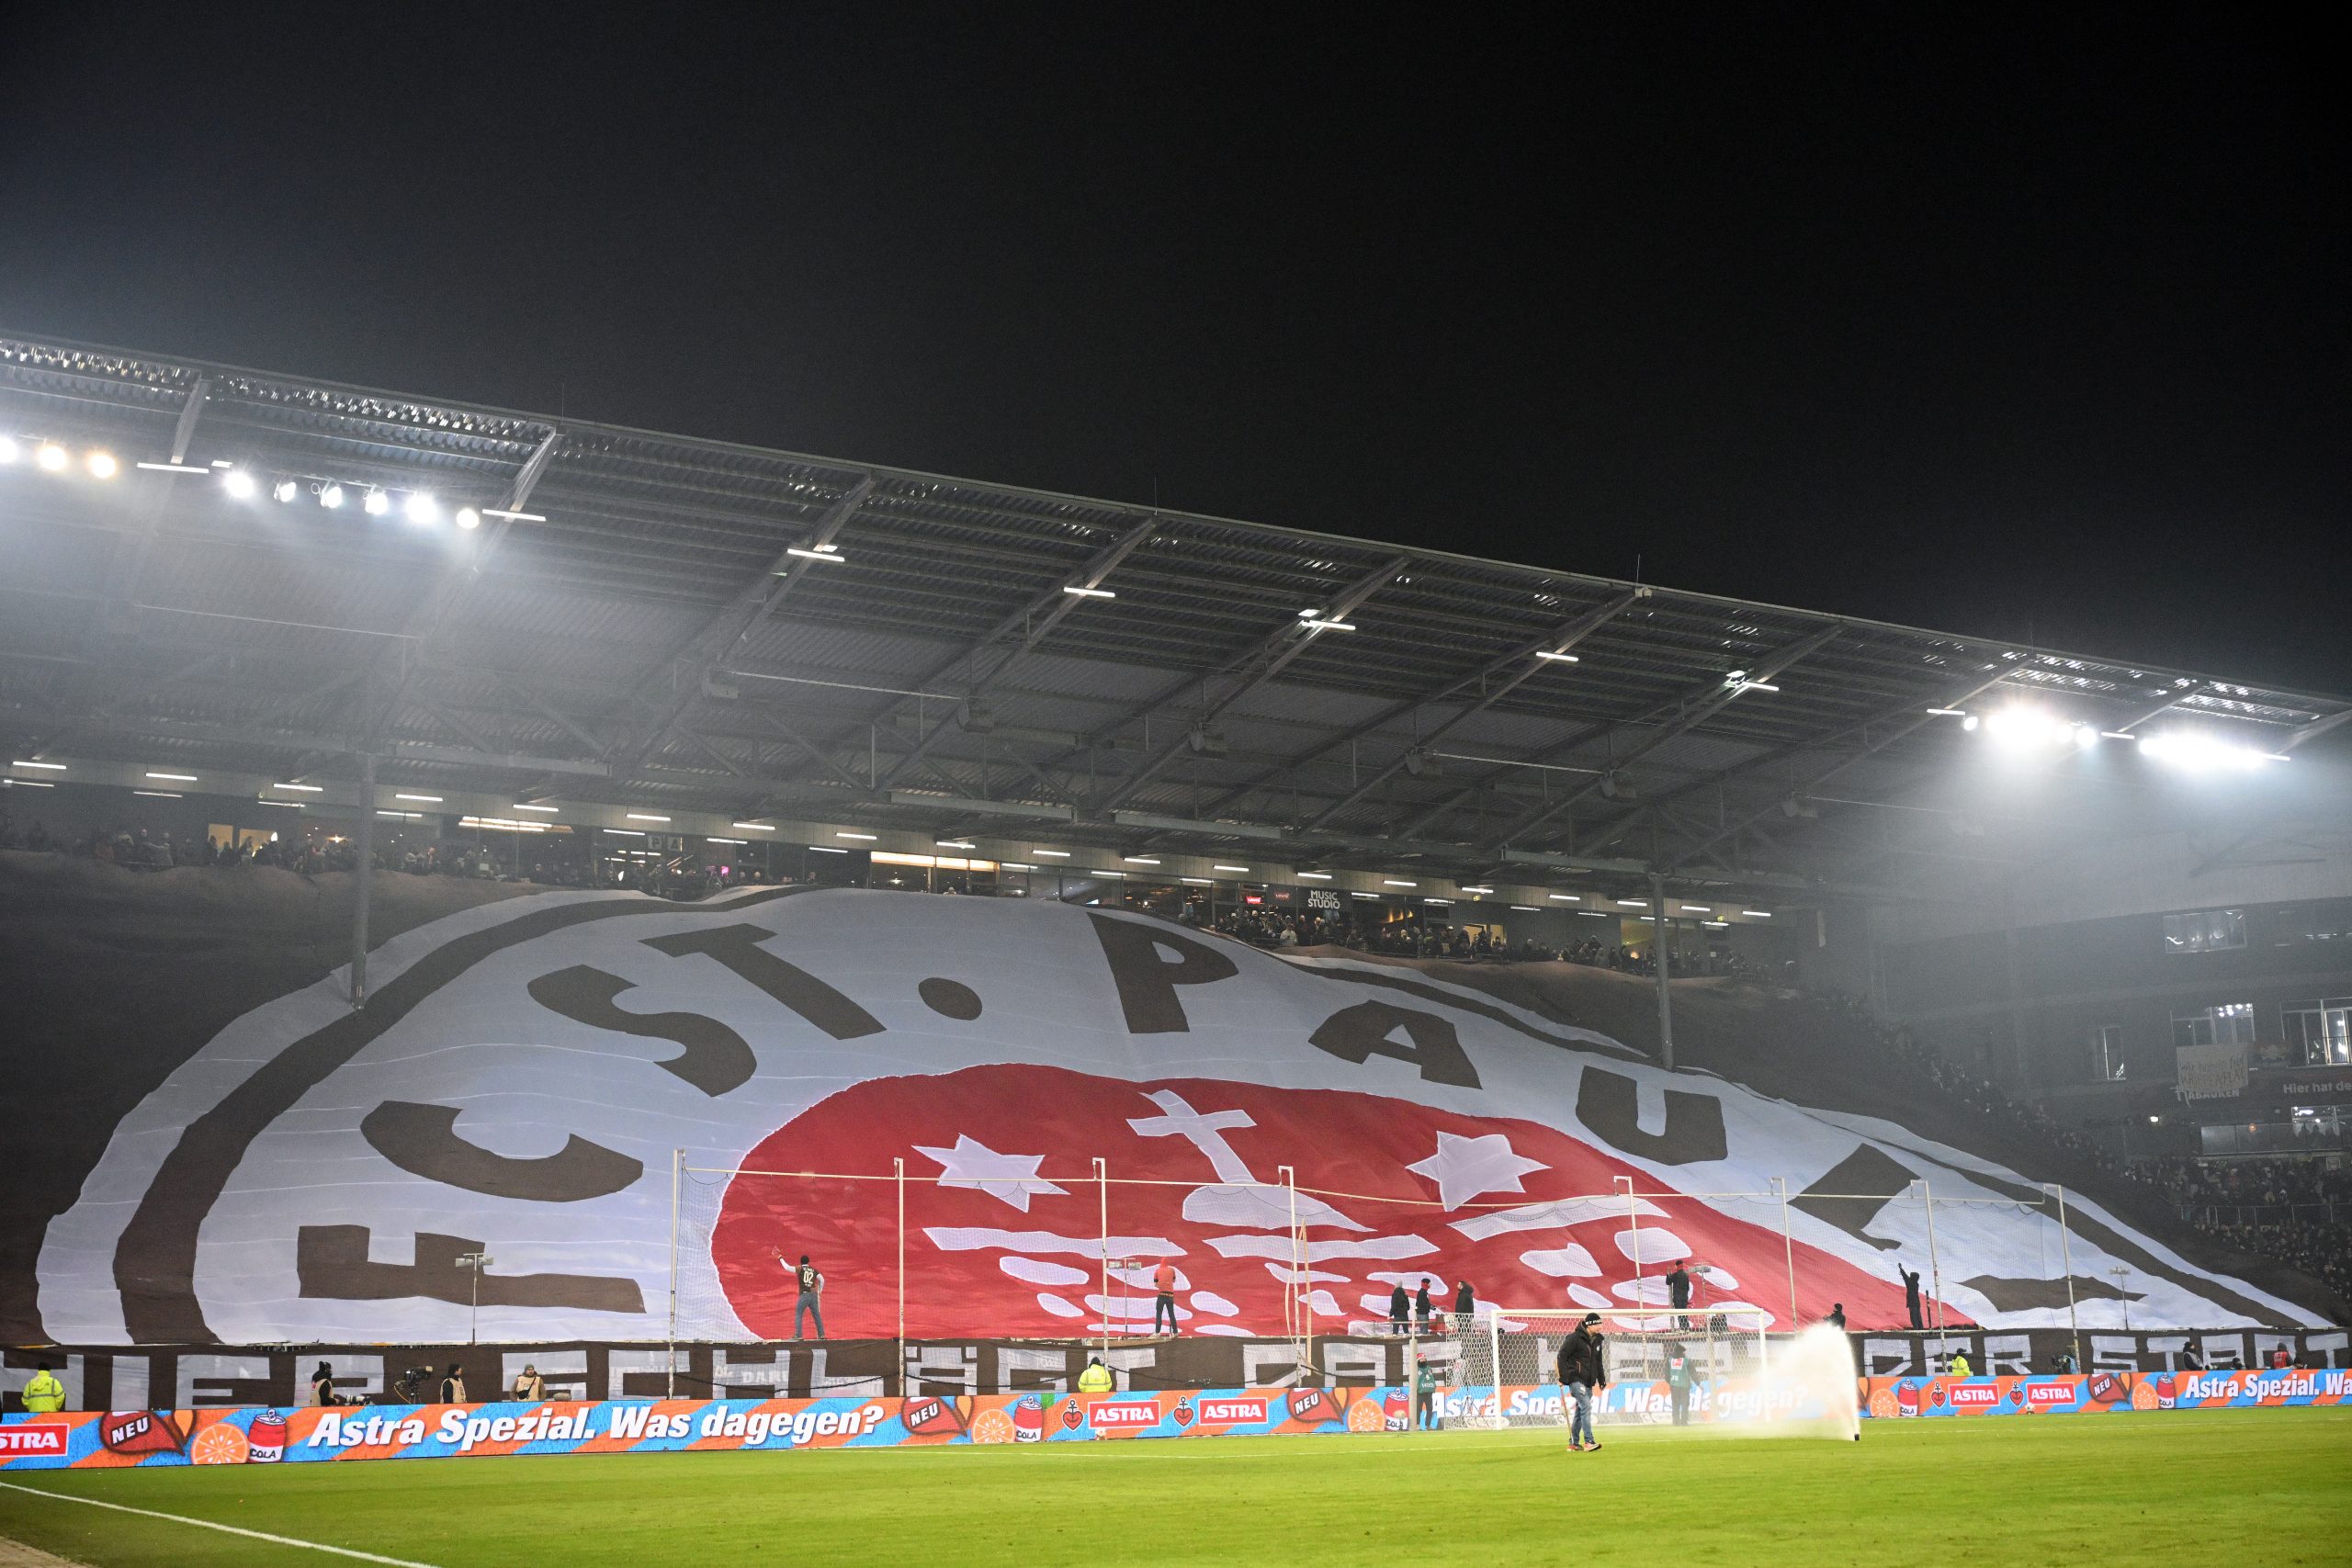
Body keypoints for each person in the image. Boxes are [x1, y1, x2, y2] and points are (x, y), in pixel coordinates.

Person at [1556, 1313, 1608, 1452]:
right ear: (1590, 1325)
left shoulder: (1598, 1340)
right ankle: (1589, 1441)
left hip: (1589, 1381)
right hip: (1575, 1379)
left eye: (1601, 1323)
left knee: (1580, 1412)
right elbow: (1561, 1356)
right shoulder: (1574, 1338)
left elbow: (1598, 1362)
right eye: (1598, 1324)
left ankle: (1574, 1443)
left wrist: (1601, 1380)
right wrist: (1564, 1378)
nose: (1600, 1327)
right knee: (1586, 1407)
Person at [783, 1252, 826, 1341]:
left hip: (804, 1294)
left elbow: (787, 1267)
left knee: (799, 1314)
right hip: (813, 1295)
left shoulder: (800, 1268)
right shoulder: (813, 1270)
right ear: (808, 1262)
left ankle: (798, 1335)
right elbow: (822, 1279)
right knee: (817, 1315)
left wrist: (780, 1258)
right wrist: (819, 1291)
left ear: (801, 1262)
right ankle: (822, 1335)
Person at [1662, 1342, 1703, 1427]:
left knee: (1675, 1405)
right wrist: (1699, 1384)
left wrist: (1671, 1382)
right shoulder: (1687, 1361)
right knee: (1685, 1405)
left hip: (1674, 1386)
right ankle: (1684, 1422)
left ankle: (1675, 1423)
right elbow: (1693, 1373)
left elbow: (1666, 1374)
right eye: (1684, 1352)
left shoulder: (1669, 1360)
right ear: (1682, 1352)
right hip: (1684, 1386)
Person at [1413, 1353, 1442, 1431]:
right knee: (1418, 1409)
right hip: (1420, 1392)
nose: (1423, 1360)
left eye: (1424, 1359)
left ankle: (1428, 1425)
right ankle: (1417, 1425)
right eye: (1421, 1359)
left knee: (1430, 1408)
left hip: (1429, 1392)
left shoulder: (1429, 1368)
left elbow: (1431, 1378)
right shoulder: (1416, 1369)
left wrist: (1433, 1386)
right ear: (1418, 1360)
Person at [1153, 1260, 1179, 1336]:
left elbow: (1155, 1284)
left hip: (1161, 1294)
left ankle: (1157, 1332)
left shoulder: (1157, 1271)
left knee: (1159, 1314)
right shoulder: (1172, 1270)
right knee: (1171, 1313)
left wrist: (1161, 1285)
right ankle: (1175, 1332)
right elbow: (1174, 1280)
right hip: (1170, 1295)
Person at [1666, 1259, 1693, 1330]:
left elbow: (1668, 1282)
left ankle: (1682, 1328)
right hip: (1684, 1297)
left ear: (1676, 1266)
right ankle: (1686, 1327)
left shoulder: (1675, 1275)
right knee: (1684, 1313)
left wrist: (1668, 1274)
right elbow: (1687, 1288)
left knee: (1679, 1313)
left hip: (1677, 1298)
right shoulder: (1686, 1275)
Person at [1898, 1264, 1924, 1332]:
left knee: (1914, 1318)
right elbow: (1906, 1277)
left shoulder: (1910, 1283)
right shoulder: (1916, 1284)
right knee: (1919, 1317)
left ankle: (1916, 1331)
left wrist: (1901, 1268)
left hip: (1912, 1303)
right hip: (1917, 1303)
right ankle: (1921, 1330)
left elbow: (1905, 1276)